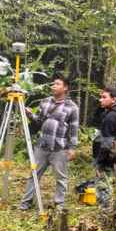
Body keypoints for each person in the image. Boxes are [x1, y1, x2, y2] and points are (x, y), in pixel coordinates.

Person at [19, 76, 79, 210]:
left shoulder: (72, 107)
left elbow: (74, 129)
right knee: (33, 174)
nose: (53, 86)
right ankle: (26, 203)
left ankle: (59, 204)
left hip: (59, 147)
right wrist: (29, 114)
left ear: (65, 87)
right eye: (53, 84)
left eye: (57, 84)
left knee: (61, 178)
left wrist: (72, 148)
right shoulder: (45, 102)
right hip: (42, 145)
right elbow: (39, 121)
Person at [92, 85, 116, 173]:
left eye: (104, 97)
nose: (101, 99)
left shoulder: (111, 117)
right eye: (101, 97)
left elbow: (107, 144)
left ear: (113, 99)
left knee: (103, 183)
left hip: (109, 156)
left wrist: (99, 162)